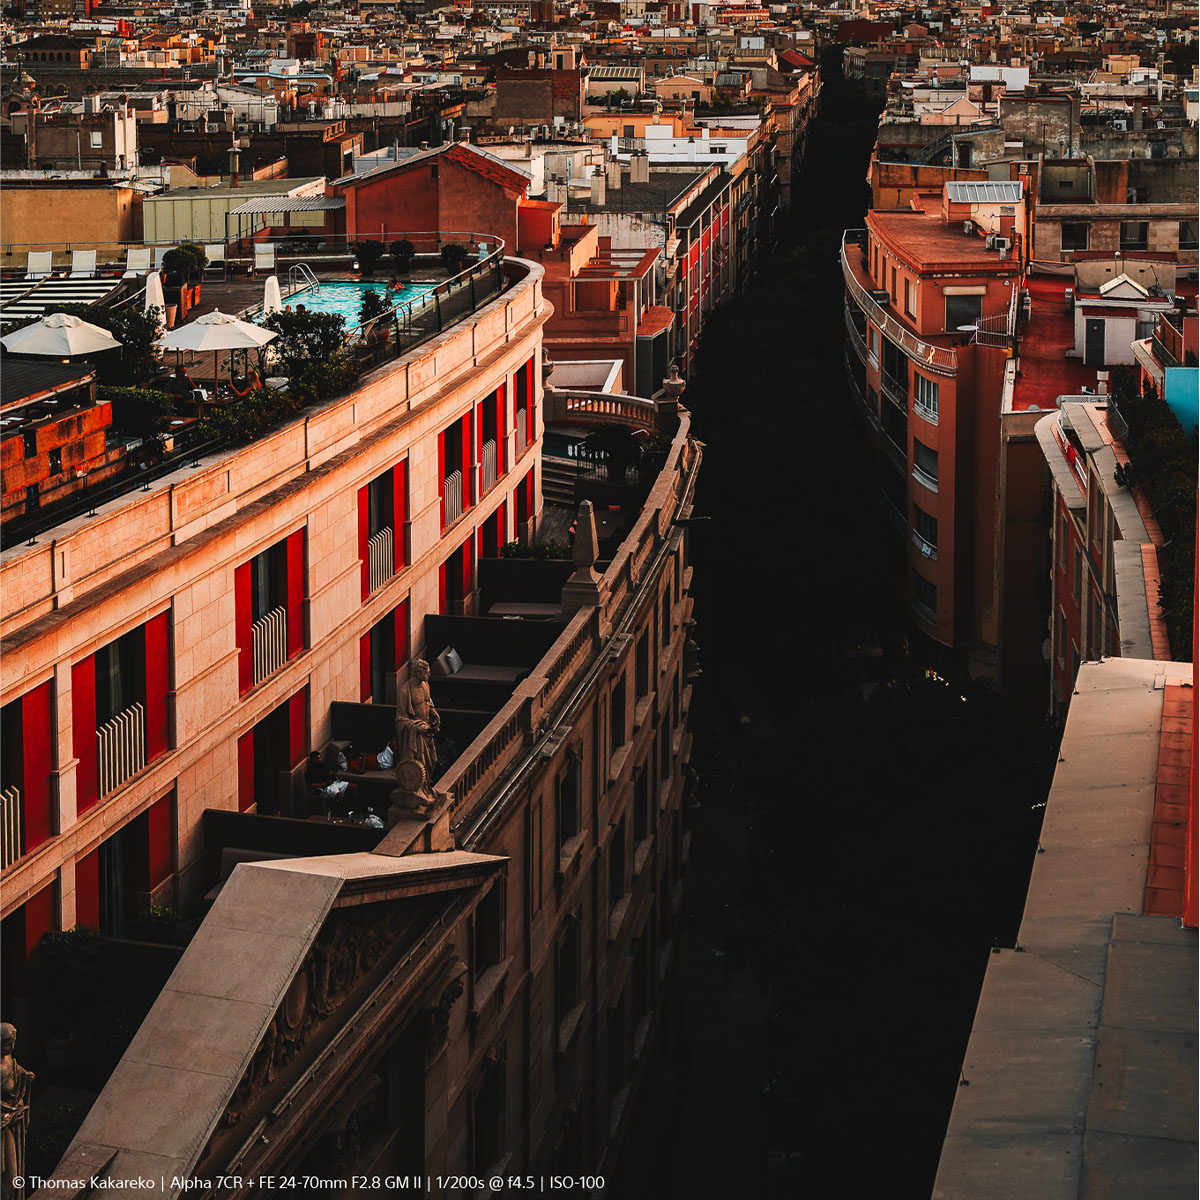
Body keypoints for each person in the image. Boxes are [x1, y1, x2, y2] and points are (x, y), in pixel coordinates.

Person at [395, 659, 440, 789]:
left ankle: (426, 788)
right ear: (418, 672)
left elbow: (427, 704)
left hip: (428, 732)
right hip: (416, 736)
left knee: (433, 760)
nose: (429, 676)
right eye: (427, 673)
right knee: (420, 766)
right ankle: (421, 790)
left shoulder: (425, 685)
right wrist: (417, 727)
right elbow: (400, 720)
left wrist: (434, 714)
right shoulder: (405, 692)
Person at [305, 749, 357, 817]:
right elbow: (311, 785)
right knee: (340, 796)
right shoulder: (309, 771)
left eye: (320, 757)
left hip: (333, 782)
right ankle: (343, 814)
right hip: (324, 788)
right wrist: (325, 784)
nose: (319, 760)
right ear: (312, 760)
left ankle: (356, 810)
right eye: (317, 759)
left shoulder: (321, 765)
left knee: (354, 786)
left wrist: (336, 775)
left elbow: (329, 771)